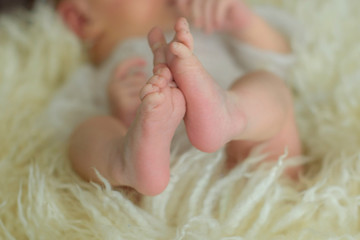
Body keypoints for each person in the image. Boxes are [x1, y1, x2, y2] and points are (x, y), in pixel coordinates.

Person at [50, 0, 302, 196]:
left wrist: (244, 23)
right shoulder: (98, 77)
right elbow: (59, 123)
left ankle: (230, 114)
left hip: (258, 164)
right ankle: (124, 159)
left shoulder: (209, 28)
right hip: (162, 181)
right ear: (80, 18)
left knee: (269, 83)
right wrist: (117, 117)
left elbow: (279, 61)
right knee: (86, 129)